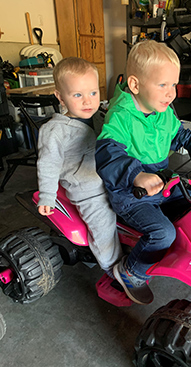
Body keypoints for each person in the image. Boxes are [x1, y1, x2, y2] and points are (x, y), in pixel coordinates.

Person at [95, 40, 191, 305]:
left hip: (163, 184)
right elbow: (107, 153)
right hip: (131, 193)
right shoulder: (121, 116)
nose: (171, 92)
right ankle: (131, 271)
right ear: (135, 85)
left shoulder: (163, 111)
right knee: (164, 232)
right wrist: (135, 175)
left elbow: (176, 135)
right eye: (163, 85)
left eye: (174, 84)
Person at [37, 57, 122, 278]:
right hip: (88, 191)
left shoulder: (97, 118)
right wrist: (47, 195)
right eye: (77, 95)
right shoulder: (54, 131)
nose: (88, 101)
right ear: (60, 97)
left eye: (93, 93)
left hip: (111, 179)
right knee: (104, 228)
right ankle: (114, 269)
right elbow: (48, 164)